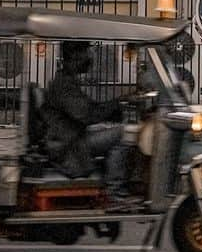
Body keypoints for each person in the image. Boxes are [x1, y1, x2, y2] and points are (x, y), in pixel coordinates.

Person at [43, 40, 135, 200]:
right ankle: (114, 191)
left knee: (115, 128)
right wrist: (115, 105)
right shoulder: (63, 85)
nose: (91, 57)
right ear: (75, 56)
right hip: (70, 145)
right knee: (123, 133)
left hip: (72, 137)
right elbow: (86, 115)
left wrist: (115, 105)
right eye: (87, 52)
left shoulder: (67, 81)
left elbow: (89, 110)